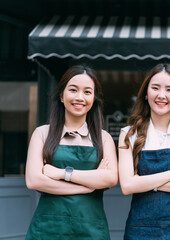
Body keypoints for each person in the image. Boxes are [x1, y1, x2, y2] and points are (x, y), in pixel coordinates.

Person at [25, 65, 118, 240]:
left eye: (88, 92)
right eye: (73, 90)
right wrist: (88, 186)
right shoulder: (42, 133)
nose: (80, 97)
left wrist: (62, 173)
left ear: (94, 99)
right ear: (61, 96)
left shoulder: (103, 138)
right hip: (48, 228)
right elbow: (34, 180)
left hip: (91, 229)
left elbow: (110, 178)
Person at [118, 63, 170, 239]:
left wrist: (142, 183)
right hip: (140, 229)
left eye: (169, 89)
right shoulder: (128, 134)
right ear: (145, 93)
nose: (161, 95)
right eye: (155, 88)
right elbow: (127, 186)